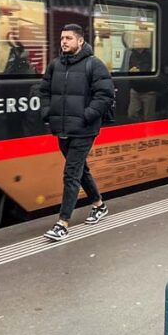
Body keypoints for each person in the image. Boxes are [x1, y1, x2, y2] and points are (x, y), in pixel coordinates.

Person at [38, 24, 115, 241]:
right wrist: (47, 112)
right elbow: (43, 91)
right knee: (80, 170)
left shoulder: (94, 64)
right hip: (61, 128)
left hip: (84, 129)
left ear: (80, 41)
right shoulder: (55, 65)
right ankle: (99, 205)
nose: (64, 42)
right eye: (62, 38)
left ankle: (62, 223)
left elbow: (105, 94)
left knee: (71, 173)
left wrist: (87, 116)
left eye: (69, 38)